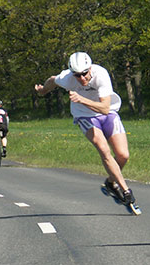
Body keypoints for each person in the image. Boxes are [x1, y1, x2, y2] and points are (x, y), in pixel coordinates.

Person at [34, 52, 137, 206]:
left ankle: (110, 182)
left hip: (107, 112)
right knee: (104, 150)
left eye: (84, 74)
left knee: (123, 155)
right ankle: (125, 190)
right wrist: (43, 91)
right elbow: (53, 80)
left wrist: (81, 99)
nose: (82, 79)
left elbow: (104, 108)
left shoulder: (101, 74)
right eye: (77, 75)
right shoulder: (67, 78)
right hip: (85, 116)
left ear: (90, 69)